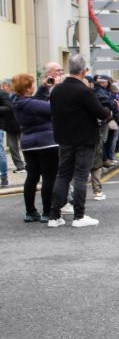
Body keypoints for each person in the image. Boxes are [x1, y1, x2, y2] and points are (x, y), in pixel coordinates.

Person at [47, 55, 108, 228]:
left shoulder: (57, 90)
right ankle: (79, 216)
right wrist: (108, 112)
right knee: (81, 176)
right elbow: (101, 112)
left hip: (64, 138)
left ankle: (54, 216)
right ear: (83, 71)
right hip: (84, 138)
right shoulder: (83, 91)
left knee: (63, 175)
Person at [10, 74, 57, 221]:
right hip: (46, 142)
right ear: (28, 88)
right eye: (32, 84)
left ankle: (30, 212)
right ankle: (47, 212)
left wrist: (44, 87)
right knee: (49, 177)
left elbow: (36, 102)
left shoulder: (18, 102)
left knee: (32, 177)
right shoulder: (29, 104)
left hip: (28, 144)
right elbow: (51, 108)